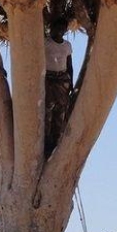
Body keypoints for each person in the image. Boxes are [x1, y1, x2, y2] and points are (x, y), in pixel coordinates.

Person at [44, 18, 73, 158]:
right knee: (48, 108)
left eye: (62, 29)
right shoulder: (45, 43)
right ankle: (46, 140)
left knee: (61, 109)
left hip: (62, 79)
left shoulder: (67, 46)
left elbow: (69, 65)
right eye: (56, 28)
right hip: (48, 79)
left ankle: (55, 140)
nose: (59, 31)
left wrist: (70, 82)